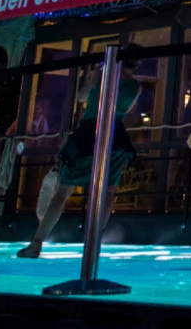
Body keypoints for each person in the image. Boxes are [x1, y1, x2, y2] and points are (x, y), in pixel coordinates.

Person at [16, 66, 140, 258]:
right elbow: (127, 108)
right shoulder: (135, 86)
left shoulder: (103, 73)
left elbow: (81, 97)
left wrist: (91, 80)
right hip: (115, 138)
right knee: (107, 192)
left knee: (62, 192)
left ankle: (36, 243)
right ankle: (94, 240)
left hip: (89, 134)